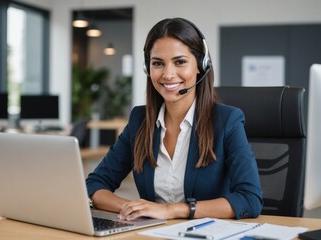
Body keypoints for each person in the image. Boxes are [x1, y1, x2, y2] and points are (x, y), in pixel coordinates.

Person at [86, 17, 263, 221]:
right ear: (147, 68)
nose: (168, 74)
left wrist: (172, 210)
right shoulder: (139, 120)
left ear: (200, 65)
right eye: (158, 63)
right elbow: (96, 184)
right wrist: (135, 208)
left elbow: (250, 200)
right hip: (151, 233)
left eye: (180, 62)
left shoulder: (227, 121)